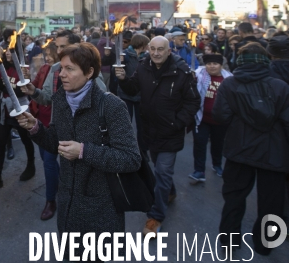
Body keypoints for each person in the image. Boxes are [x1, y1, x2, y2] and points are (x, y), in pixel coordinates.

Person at [16, 43, 141, 258]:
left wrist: (84, 151)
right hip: (68, 206)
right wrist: (35, 127)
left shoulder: (112, 107)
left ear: (90, 72)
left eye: (69, 69)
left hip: (102, 210)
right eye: (61, 68)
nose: (61, 74)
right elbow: (56, 142)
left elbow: (130, 159)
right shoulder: (60, 99)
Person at [115, 36, 200, 235]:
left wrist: (177, 122)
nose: (155, 53)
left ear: (168, 51)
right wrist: (122, 80)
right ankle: (169, 191)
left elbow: (192, 102)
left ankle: (155, 217)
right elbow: (133, 88)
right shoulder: (143, 66)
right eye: (152, 49)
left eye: (160, 49)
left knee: (162, 171)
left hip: (170, 133)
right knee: (160, 171)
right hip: (149, 131)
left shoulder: (181, 72)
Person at [214, 42, 289, 256]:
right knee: (272, 202)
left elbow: (220, 116)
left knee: (234, 197)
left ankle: (229, 241)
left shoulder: (229, 85)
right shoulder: (281, 86)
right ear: (266, 61)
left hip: (239, 148)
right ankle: (265, 244)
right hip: (273, 151)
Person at [0, 45, 36, 193]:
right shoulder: (3, 68)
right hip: (5, 108)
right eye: (6, 53)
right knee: (0, 143)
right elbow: (0, 86)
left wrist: (18, 83)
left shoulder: (23, 69)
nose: (7, 55)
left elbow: (21, 90)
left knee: (25, 138)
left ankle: (31, 165)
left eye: (11, 53)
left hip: (20, 108)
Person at [188, 53, 232, 183]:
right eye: (208, 64)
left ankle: (217, 165)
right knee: (200, 144)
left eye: (215, 64)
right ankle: (199, 170)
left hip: (220, 120)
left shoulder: (229, 79)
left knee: (218, 144)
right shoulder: (198, 75)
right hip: (201, 118)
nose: (212, 66)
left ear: (221, 65)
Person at [28, 41, 60, 220]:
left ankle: (50, 200)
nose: (47, 57)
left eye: (50, 53)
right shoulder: (42, 69)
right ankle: (61, 181)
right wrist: (23, 82)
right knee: (46, 159)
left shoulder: (59, 71)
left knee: (48, 161)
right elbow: (34, 88)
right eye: (45, 54)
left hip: (53, 121)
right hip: (39, 119)